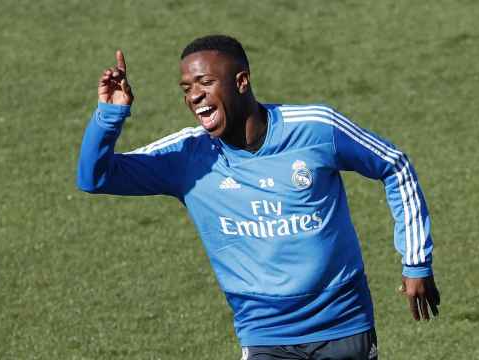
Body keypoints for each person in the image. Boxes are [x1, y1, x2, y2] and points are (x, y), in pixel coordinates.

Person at [77, 35, 440, 360]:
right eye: (186, 88)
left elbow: (394, 165)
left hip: (344, 323)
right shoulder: (188, 157)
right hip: (264, 332)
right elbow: (95, 177)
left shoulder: (316, 127)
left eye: (205, 82)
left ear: (241, 82)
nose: (193, 96)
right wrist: (111, 113)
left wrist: (416, 262)